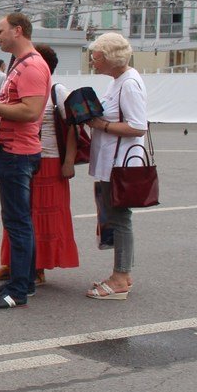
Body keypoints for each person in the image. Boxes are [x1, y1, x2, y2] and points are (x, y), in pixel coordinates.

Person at [0, 13, 51, 311]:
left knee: (18, 223)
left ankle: (17, 291)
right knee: (18, 220)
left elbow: (30, 111)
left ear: (18, 31)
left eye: (1, 31)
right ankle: (23, 281)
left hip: (16, 152)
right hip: (10, 150)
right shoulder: (21, 64)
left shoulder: (31, 66)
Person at [0, 44, 79, 288]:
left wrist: (69, 161)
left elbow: (73, 126)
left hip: (49, 160)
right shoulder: (18, 88)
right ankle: (13, 264)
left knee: (41, 216)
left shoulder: (58, 91)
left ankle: (37, 267)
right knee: (16, 214)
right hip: (21, 154)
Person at [84, 32, 146, 300]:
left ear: (110, 58)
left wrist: (102, 125)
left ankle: (120, 277)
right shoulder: (118, 81)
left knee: (120, 218)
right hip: (111, 161)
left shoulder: (129, 84)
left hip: (120, 163)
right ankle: (122, 274)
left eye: (96, 57)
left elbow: (138, 126)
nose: (93, 61)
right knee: (116, 216)